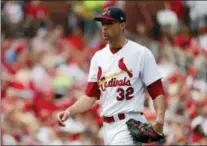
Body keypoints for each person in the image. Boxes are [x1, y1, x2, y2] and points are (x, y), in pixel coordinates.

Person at [57, 7, 166, 145]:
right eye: (103, 23)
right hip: (107, 127)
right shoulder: (98, 57)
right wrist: (69, 111)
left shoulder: (141, 53)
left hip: (130, 123)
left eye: (109, 23)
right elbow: (90, 96)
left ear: (122, 25)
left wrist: (160, 119)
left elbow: (156, 90)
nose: (104, 27)